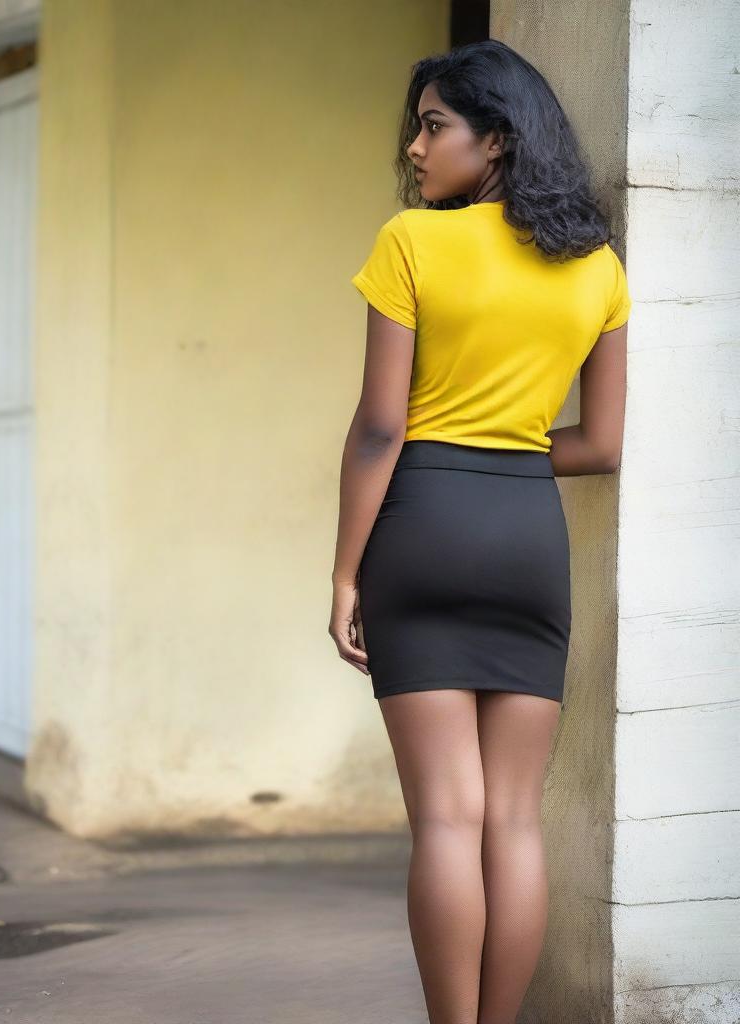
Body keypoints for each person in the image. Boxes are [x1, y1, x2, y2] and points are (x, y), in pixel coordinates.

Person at [328, 40, 631, 1024]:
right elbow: (599, 443)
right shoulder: (597, 269)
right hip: (525, 540)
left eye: (432, 125)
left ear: (494, 141)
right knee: (512, 821)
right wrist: (501, 453)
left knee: (447, 822)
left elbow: (380, 425)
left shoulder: (411, 244)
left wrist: (343, 577)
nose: (414, 148)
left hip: (419, 526)